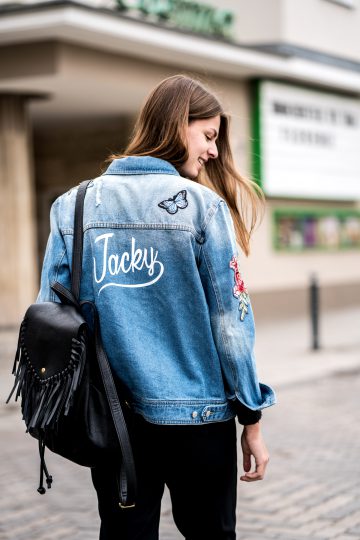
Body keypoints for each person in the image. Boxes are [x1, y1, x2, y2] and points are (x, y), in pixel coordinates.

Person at [37, 74, 276, 540]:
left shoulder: (74, 205)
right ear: (175, 123)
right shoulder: (203, 208)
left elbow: (51, 316)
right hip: (201, 420)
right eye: (208, 136)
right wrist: (251, 415)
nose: (212, 151)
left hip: (113, 420)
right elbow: (229, 325)